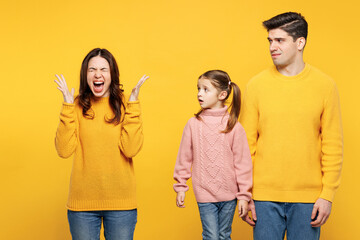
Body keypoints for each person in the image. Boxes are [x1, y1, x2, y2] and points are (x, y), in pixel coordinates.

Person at [240, 12, 343, 240]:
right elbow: (245, 146)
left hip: (309, 200)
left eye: (280, 40)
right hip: (264, 198)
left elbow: (333, 145)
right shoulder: (256, 86)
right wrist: (245, 195)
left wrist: (327, 195)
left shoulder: (325, 86)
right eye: (270, 41)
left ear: (300, 42)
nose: (272, 47)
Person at [54, 48, 149, 240]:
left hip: (121, 205)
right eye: (92, 69)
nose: (98, 74)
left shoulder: (125, 106)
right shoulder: (76, 105)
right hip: (82, 207)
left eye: (104, 69)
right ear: (85, 75)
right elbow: (64, 150)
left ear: (112, 74)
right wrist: (67, 106)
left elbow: (131, 149)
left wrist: (133, 105)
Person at [173, 70, 253, 239]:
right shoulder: (193, 124)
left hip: (229, 195)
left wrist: (244, 196)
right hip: (204, 193)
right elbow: (184, 158)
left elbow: (243, 163)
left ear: (222, 94)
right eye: (198, 89)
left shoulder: (234, 126)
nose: (199, 94)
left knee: (224, 235)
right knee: (211, 236)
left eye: (205, 89)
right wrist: (180, 187)